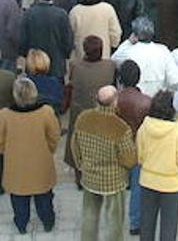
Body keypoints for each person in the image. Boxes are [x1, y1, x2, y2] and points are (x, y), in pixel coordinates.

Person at [0, 76, 61, 234]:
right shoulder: (46, 112)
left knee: (19, 198)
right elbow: (54, 136)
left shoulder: (4, 115)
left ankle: (21, 224)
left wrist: (10, 153)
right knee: (44, 197)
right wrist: (47, 150)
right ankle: (48, 222)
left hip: (16, 165)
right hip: (41, 164)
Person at [72, 84, 138, 241]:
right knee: (114, 220)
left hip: (89, 177)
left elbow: (75, 147)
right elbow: (129, 161)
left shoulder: (83, 118)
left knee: (89, 215)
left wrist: (81, 165)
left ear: (96, 99)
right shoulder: (121, 128)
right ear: (115, 102)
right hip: (113, 181)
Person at [136, 89, 178, 241]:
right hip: (171, 184)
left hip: (148, 180)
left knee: (146, 224)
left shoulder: (144, 127)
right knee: (169, 227)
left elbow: (140, 156)